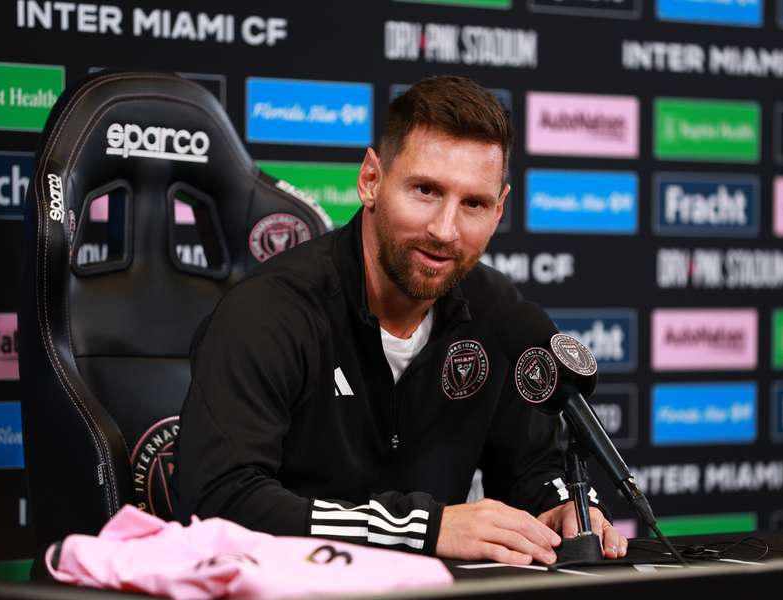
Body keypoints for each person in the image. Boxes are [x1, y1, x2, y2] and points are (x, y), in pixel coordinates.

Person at [171, 75, 628, 565]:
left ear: (499, 210)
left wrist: (559, 506)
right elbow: (217, 501)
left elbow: (532, 467)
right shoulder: (270, 311)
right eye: (426, 190)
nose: (445, 230)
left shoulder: (499, 314)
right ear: (371, 180)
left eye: (473, 203)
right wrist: (422, 529)